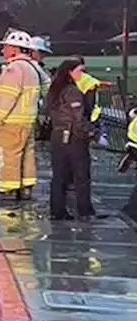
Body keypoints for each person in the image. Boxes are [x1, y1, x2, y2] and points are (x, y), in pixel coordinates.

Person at [44, 58, 101, 220]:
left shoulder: (54, 90)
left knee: (59, 175)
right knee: (81, 175)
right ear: (70, 72)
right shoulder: (72, 91)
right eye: (79, 71)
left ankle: (57, 210)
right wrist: (92, 133)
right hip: (73, 137)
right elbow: (78, 118)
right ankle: (85, 211)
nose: (81, 74)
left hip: (57, 135)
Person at [0, 29, 42, 201]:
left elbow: (7, 96)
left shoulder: (14, 69)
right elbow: (47, 86)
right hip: (28, 120)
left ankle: (8, 190)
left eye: (5, 47)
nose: (3, 50)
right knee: (27, 155)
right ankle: (26, 188)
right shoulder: (33, 68)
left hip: (12, 121)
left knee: (8, 155)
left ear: (14, 49)